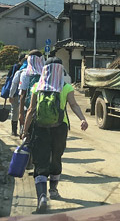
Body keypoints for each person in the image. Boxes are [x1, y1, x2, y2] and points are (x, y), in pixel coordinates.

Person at [22, 57, 88, 214]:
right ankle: (53, 190)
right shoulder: (65, 87)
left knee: (40, 161)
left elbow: (31, 110)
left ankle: (42, 197)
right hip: (60, 129)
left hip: (39, 128)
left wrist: (25, 130)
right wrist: (83, 119)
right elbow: (74, 105)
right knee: (56, 158)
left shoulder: (37, 87)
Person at [7, 54, 26, 135]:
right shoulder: (30, 68)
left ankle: (14, 131)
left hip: (15, 93)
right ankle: (22, 131)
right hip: (24, 94)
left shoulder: (15, 68)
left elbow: (11, 82)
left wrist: (10, 95)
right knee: (23, 112)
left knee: (15, 111)